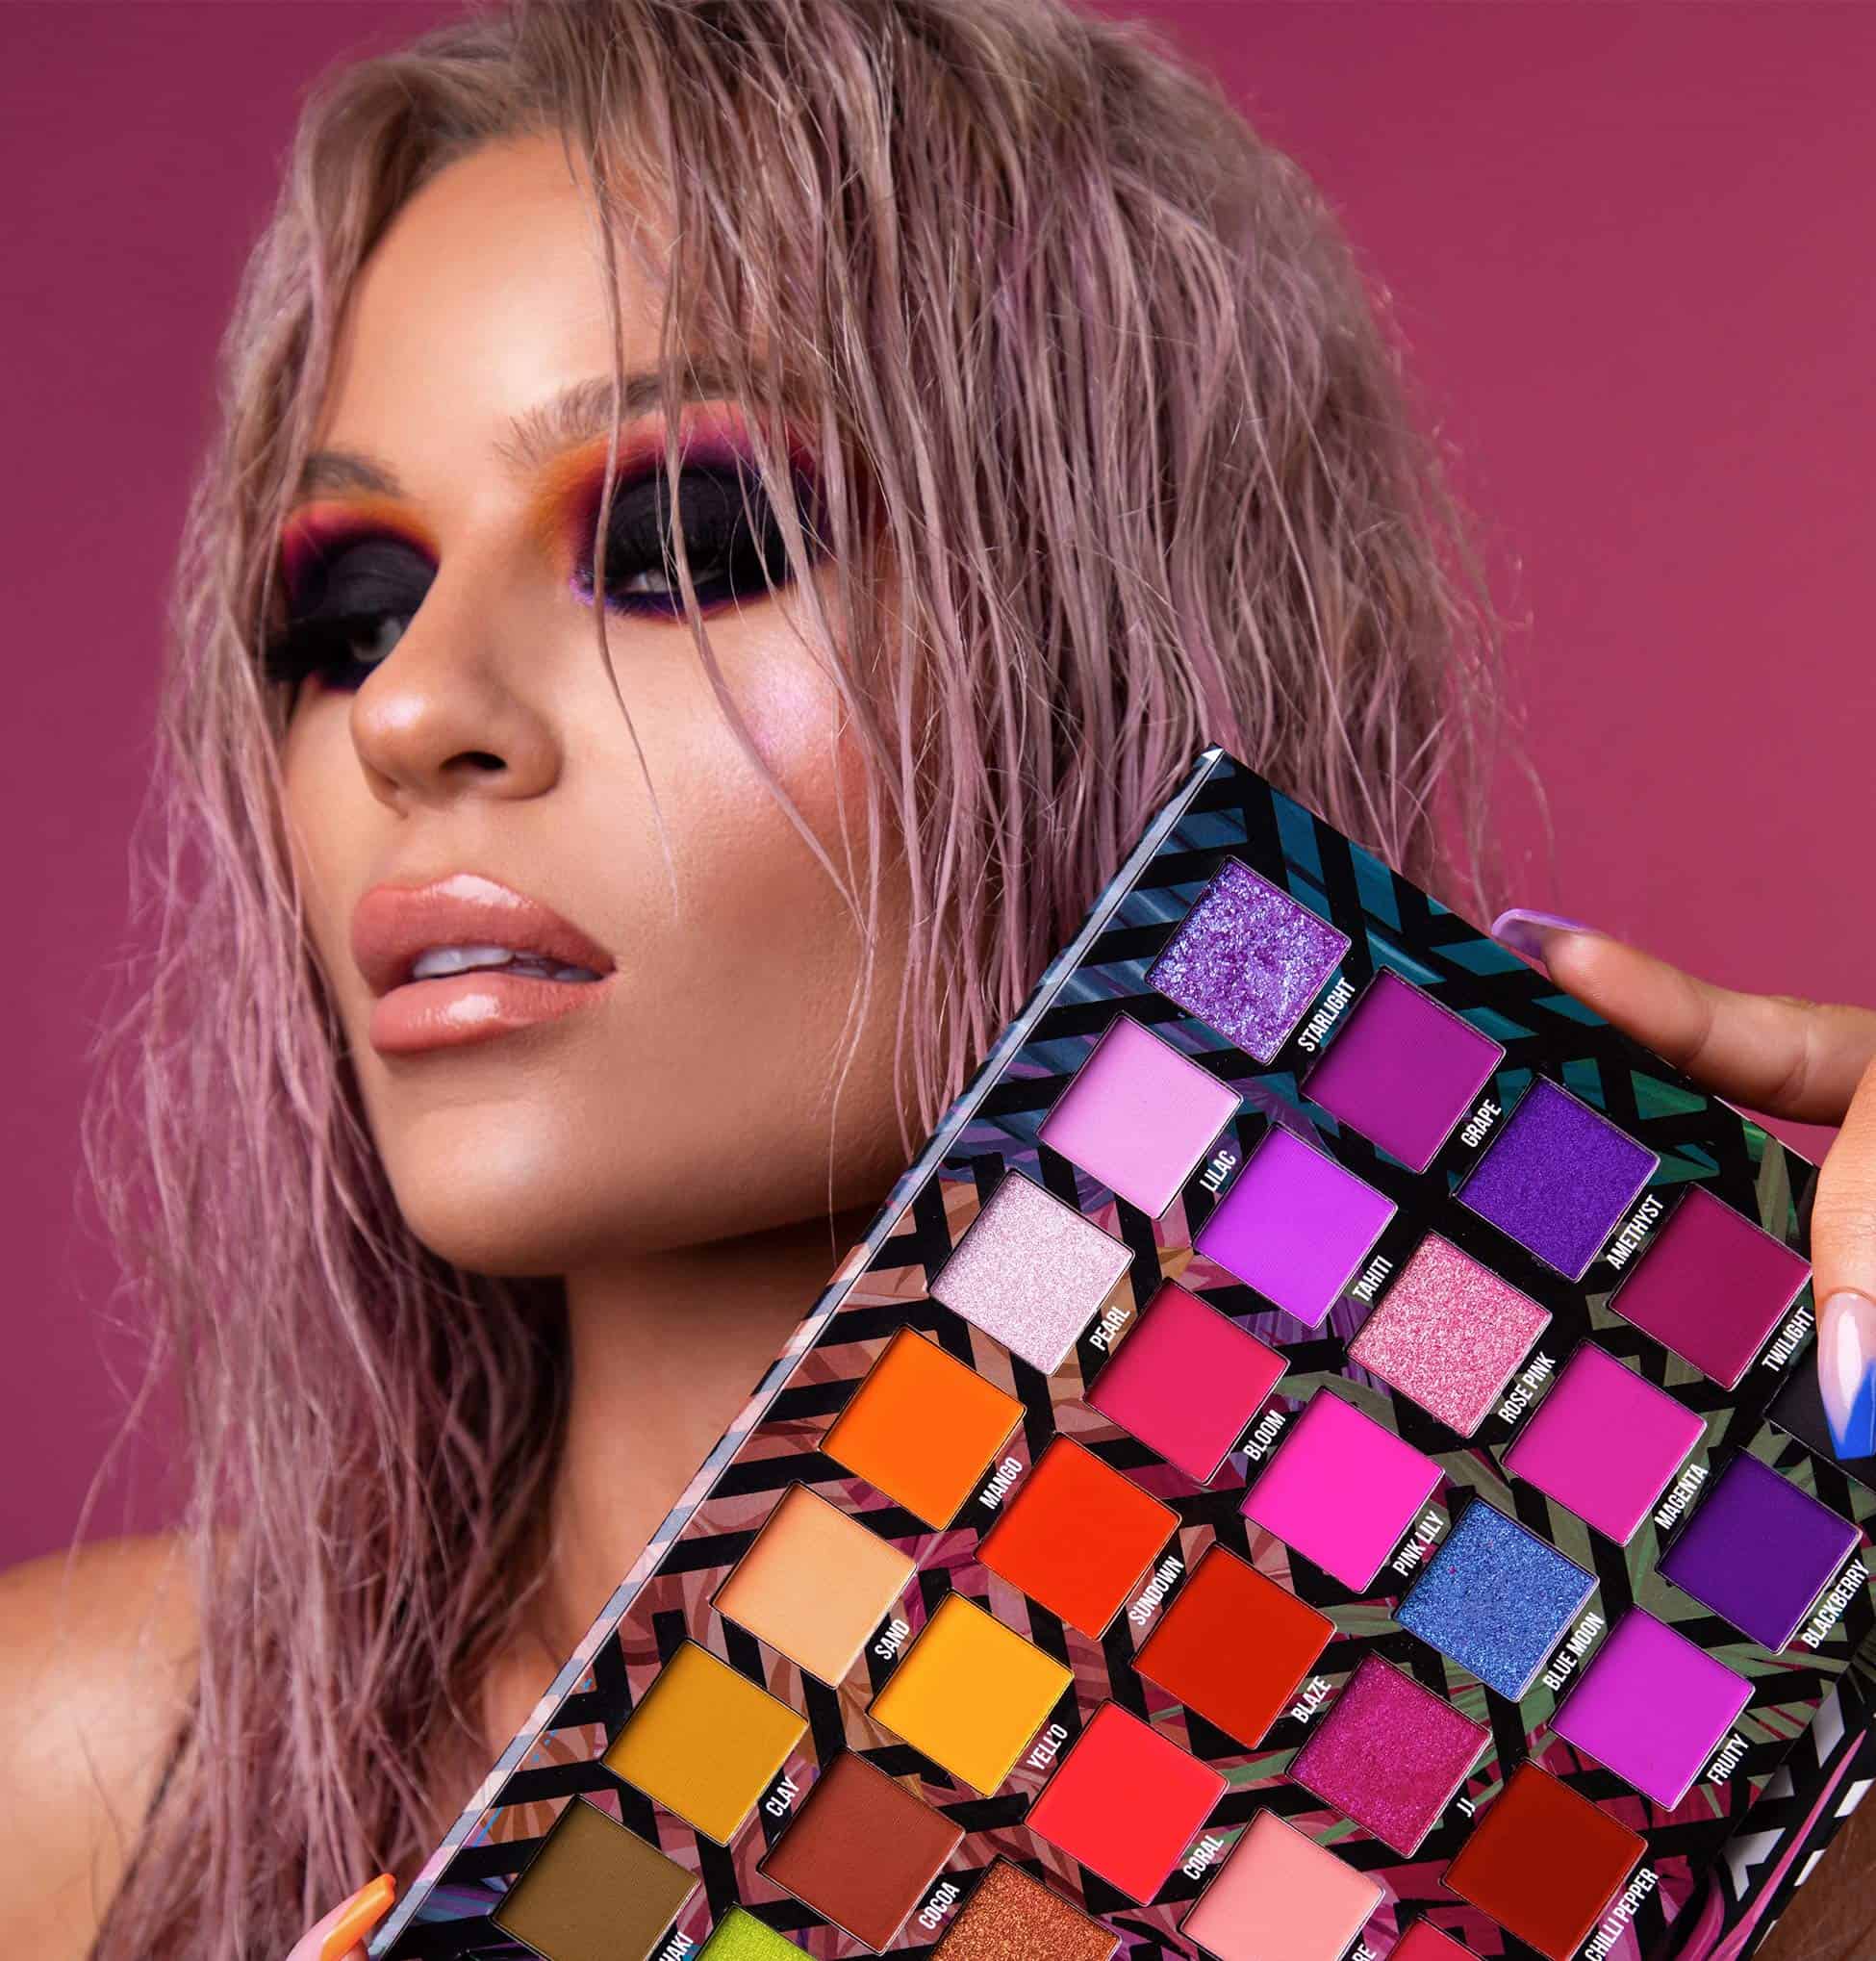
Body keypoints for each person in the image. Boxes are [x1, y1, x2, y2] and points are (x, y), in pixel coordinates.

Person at [2, 3, 1869, 1957]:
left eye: (686, 545)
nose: (405, 710)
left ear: (1101, 643)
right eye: (348, 609)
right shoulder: (71, 1790)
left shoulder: (1658, 1779)